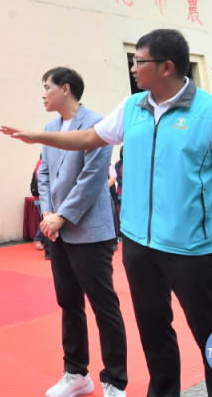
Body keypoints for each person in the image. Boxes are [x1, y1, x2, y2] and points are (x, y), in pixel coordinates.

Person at [3, 30, 212, 397]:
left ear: (166, 67)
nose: (133, 68)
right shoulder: (132, 108)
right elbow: (88, 139)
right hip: (138, 245)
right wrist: (37, 136)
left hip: (191, 249)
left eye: (139, 61)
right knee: (153, 331)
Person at [32, 67, 127, 397]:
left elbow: (92, 179)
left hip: (90, 232)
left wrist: (62, 216)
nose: (43, 93)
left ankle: (115, 381)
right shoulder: (50, 127)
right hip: (56, 230)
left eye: (48, 87)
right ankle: (76, 373)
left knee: (104, 307)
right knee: (68, 302)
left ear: (66, 88)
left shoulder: (97, 125)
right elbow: (43, 173)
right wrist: (47, 212)